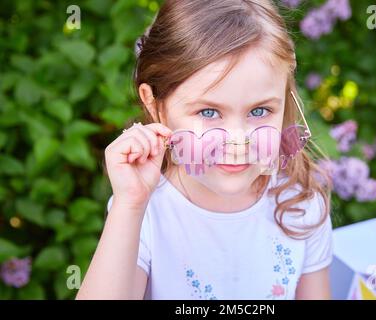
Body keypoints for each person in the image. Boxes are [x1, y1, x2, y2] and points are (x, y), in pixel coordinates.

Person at [76, 0, 333, 300]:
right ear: (155, 105)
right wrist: (129, 205)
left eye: (260, 111)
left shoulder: (298, 203)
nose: (238, 141)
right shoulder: (144, 213)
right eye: (209, 113)